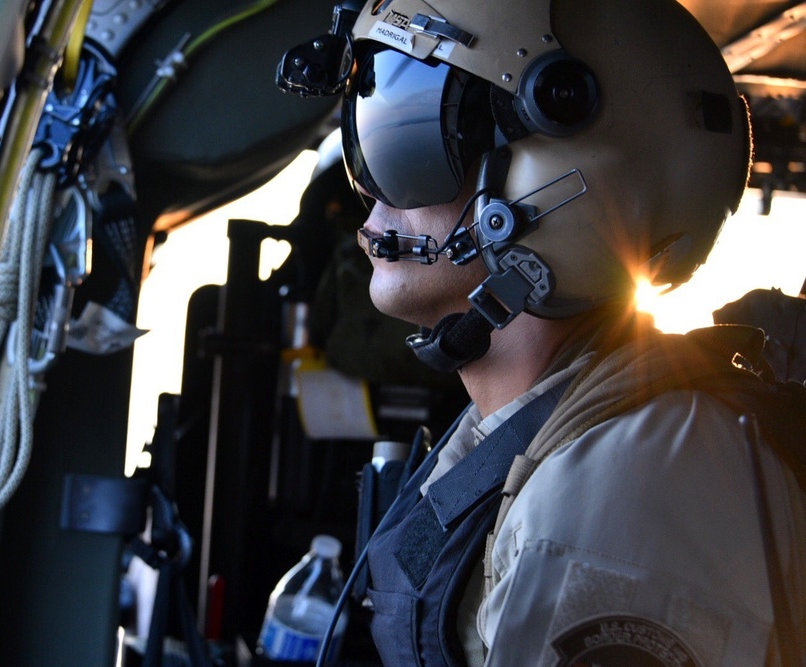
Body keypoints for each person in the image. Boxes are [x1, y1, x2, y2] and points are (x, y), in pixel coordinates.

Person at [285, 0, 806, 663]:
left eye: (405, 145)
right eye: (371, 131)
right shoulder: (519, 429)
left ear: (561, 177)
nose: (375, 199)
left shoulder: (626, 483)